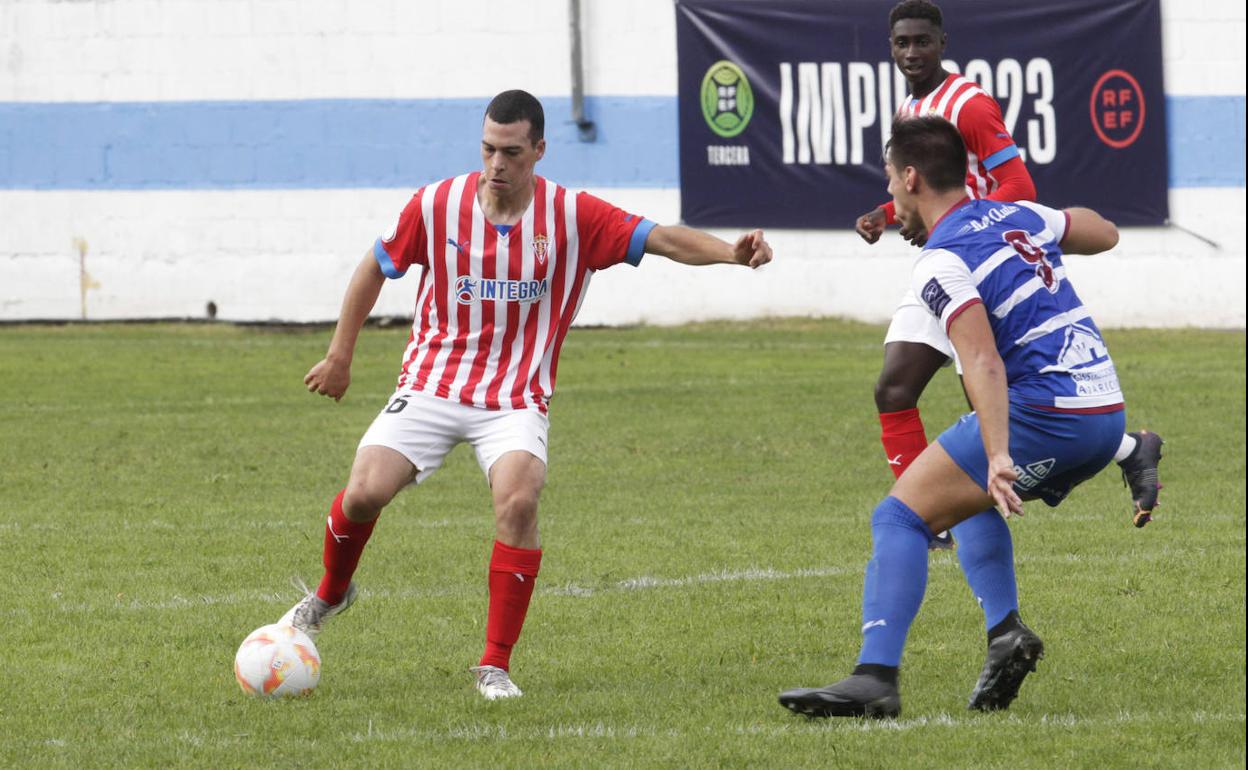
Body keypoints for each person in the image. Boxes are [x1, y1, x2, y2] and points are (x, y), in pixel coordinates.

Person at [278, 90, 773, 700]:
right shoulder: (435, 204)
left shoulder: (573, 215)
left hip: (515, 396)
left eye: (511, 152)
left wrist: (730, 253)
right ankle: (330, 593)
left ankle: (493, 664)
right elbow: (374, 266)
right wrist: (340, 355)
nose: (496, 165)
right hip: (432, 382)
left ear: (539, 150)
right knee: (362, 494)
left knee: (519, 500)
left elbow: (663, 238)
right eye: (487, 149)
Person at [779, 115, 1157, 719]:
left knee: (899, 517)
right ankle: (1005, 630)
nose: (892, 198)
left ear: (910, 177)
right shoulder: (1021, 215)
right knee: (960, 495)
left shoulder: (940, 258)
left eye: (891, 182)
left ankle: (874, 676)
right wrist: (1054, 230)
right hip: (1105, 410)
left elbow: (980, 358)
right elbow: (1105, 233)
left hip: (1049, 415)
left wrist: (1001, 452)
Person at [854, 0, 1163, 546]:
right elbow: (918, 183)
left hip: (979, 265)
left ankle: (940, 520)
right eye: (901, 43)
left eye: (922, 42)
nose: (911, 53)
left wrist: (964, 225)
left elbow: (1018, 186)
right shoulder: (909, 110)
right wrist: (884, 215)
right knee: (895, 387)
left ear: (943, 43)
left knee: (985, 402)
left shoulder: (969, 104)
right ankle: (926, 521)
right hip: (943, 266)